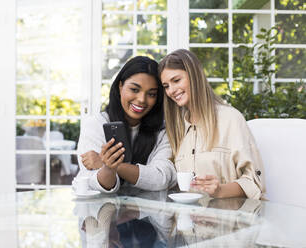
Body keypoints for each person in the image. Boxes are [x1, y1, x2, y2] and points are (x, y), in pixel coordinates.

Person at [158, 49, 265, 199]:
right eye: (166, 86)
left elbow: (255, 181)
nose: (171, 91)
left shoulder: (231, 119)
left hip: (227, 218)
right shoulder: (177, 129)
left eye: (176, 80)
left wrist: (220, 190)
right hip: (187, 219)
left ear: (194, 76)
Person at [76, 56, 176, 193]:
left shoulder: (163, 130)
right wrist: (109, 168)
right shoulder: (96, 125)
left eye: (151, 94)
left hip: (149, 210)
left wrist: (108, 164)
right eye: (134, 90)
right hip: (104, 210)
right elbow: (93, 182)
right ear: (120, 85)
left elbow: (161, 178)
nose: (141, 99)